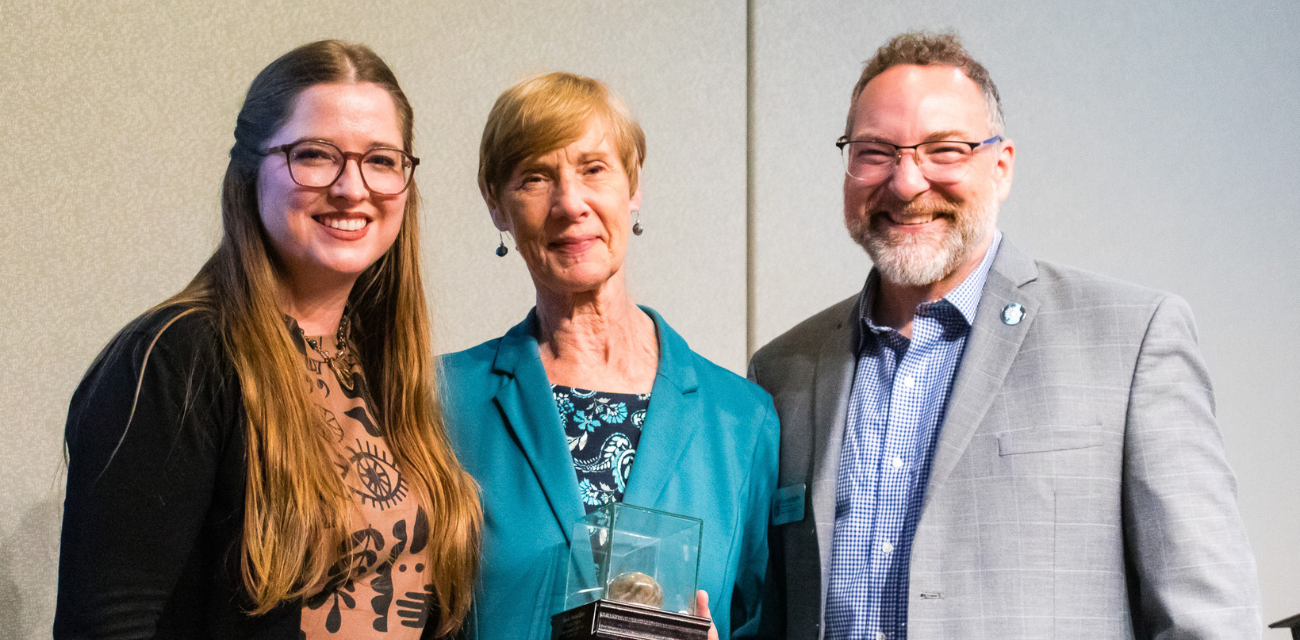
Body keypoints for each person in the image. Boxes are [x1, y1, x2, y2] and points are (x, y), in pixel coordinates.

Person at [749, 31, 1261, 640]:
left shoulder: (1132, 340)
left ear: (1001, 165)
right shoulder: (783, 370)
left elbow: (1210, 622)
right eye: (875, 151)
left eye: (944, 149)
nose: (906, 182)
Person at [55, 40, 481, 639]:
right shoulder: (180, 356)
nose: (352, 188)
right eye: (314, 155)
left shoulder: (383, 365)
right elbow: (108, 624)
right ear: (252, 169)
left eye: (381, 160)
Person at [440, 72, 777, 640]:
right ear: (498, 205)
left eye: (594, 169)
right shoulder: (443, 402)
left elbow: (765, 622)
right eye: (535, 178)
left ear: (633, 183)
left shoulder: (741, 420)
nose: (570, 203)